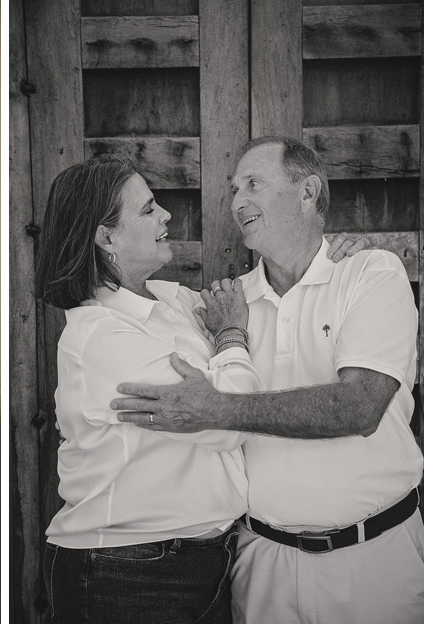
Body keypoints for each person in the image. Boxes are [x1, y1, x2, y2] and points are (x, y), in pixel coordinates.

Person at [112, 136, 424, 624]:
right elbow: (129, 297)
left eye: (254, 184)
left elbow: (360, 407)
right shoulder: (227, 306)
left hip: (373, 560)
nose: (238, 202)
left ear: (307, 192)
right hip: (264, 564)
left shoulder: (370, 272)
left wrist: (218, 409)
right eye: (234, 190)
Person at [34, 153, 274, 623]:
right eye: (147, 210)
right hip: (126, 572)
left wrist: (331, 260)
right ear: (107, 238)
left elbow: (256, 305)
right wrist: (229, 337)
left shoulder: (172, 299)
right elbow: (228, 421)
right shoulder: (102, 337)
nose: (166, 216)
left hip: (203, 560)